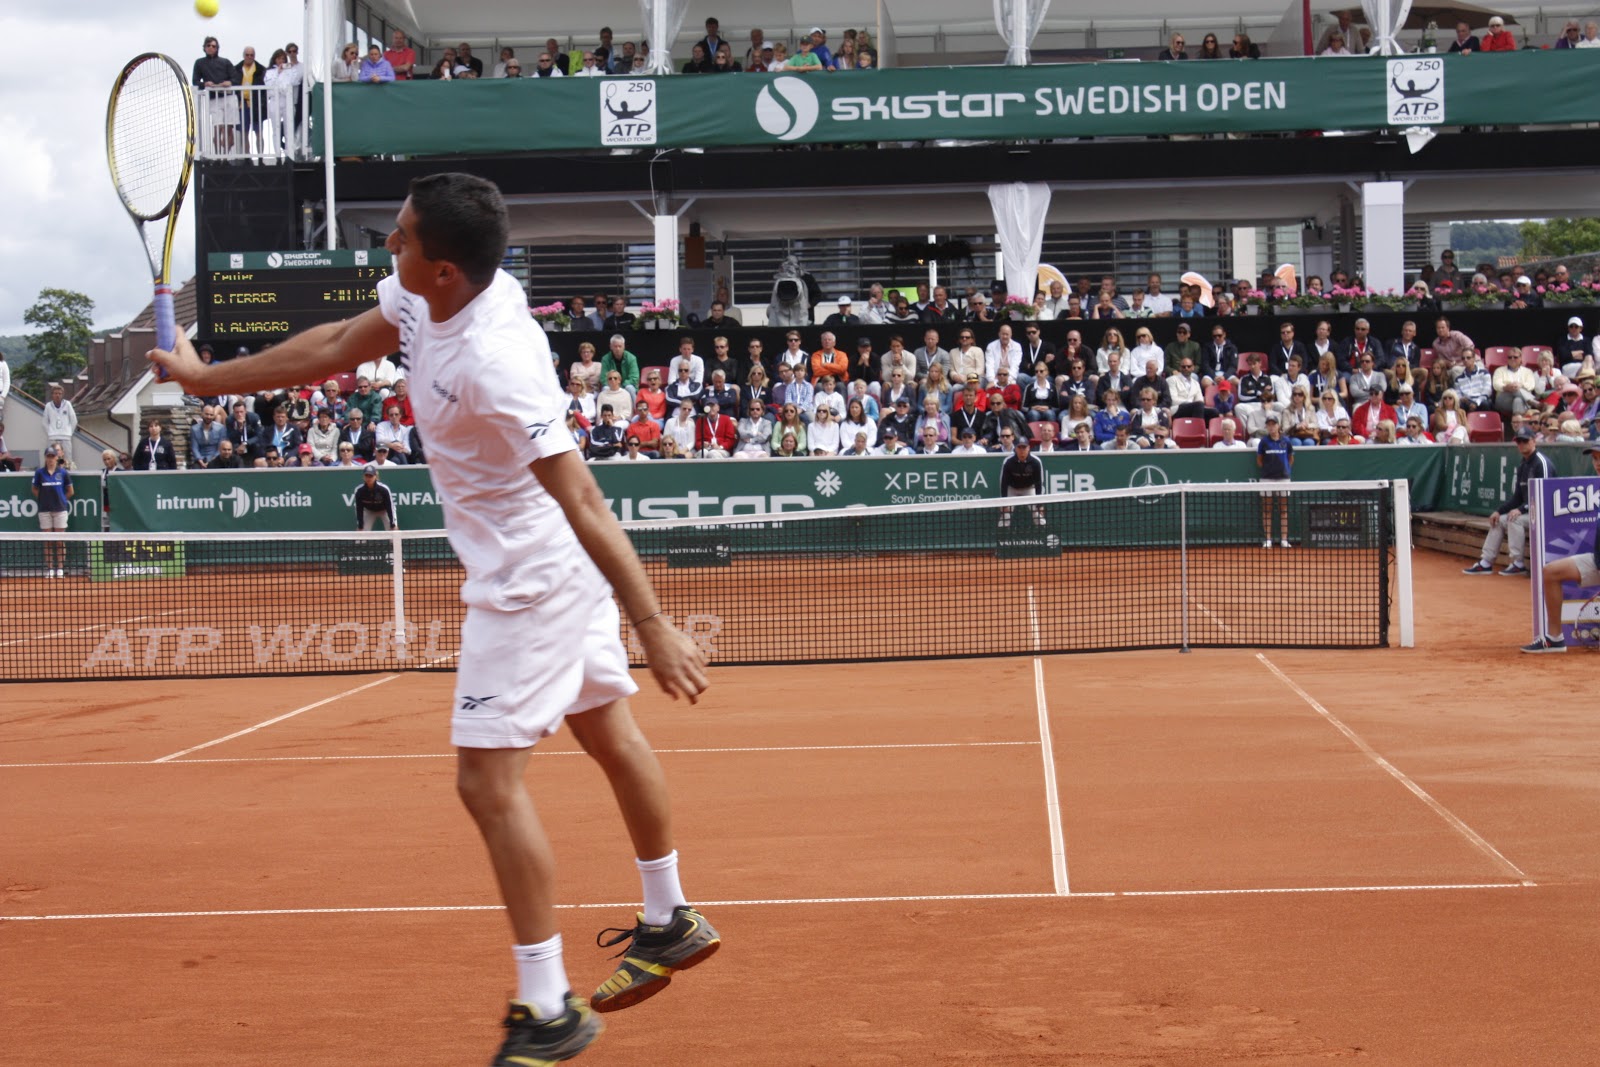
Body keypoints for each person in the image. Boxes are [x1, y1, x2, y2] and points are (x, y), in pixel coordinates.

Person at [147, 173, 718, 1066]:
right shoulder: (423, 301)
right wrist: (208, 378)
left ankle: (546, 1005)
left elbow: (587, 499)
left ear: (445, 268)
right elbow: (336, 342)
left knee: (486, 785)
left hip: (528, 583)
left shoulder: (495, 359)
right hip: (544, 571)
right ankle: (669, 913)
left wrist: (651, 621)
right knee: (607, 727)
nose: (390, 247)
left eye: (402, 239)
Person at [1525, 444, 1600, 651]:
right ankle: (1554, 638)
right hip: (1597, 561)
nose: (1598, 463)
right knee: (1551, 572)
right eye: (1595, 458)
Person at [1463, 428, 1555, 577]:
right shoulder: (1523, 465)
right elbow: (1517, 497)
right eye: (1519, 441)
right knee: (1499, 520)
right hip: (1530, 511)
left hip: (1546, 512)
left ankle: (1518, 563)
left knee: (1515, 519)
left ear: (1534, 441)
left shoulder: (1541, 463)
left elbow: (1544, 494)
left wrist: (1521, 509)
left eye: (1525, 441)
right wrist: (1499, 511)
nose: (1522, 444)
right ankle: (1486, 562)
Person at [32, 447, 73, 577]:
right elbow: (34, 489)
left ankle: (60, 569)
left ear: (56, 457)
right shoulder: (39, 473)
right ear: (45, 458)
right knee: (48, 541)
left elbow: (70, 491)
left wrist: (61, 500)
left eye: (52, 456)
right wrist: (43, 499)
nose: (50, 459)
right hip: (44, 511)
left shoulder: (63, 473)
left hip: (60, 510)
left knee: (60, 541)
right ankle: (50, 569)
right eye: (48, 456)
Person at [1257, 413, 1293, 548]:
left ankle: (1284, 540)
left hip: (1283, 479)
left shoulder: (1286, 441)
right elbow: (1259, 461)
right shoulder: (1264, 442)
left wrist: (1284, 470)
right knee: (1267, 510)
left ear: (1278, 426)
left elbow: (1290, 459)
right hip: (1267, 479)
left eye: (1274, 424)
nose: (1271, 427)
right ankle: (1268, 539)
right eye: (1269, 424)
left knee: (1283, 510)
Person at [997, 436, 1046, 527]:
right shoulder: (1008, 462)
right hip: (1012, 489)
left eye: (1024, 447)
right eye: (1019, 447)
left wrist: (1040, 504)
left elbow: (1039, 483)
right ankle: (1002, 538)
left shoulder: (1036, 462)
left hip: (1029, 489)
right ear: (1015, 448)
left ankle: (1042, 535)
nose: (1022, 450)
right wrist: (1003, 503)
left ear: (1029, 448)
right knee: (1005, 516)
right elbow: (1003, 483)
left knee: (1037, 515)